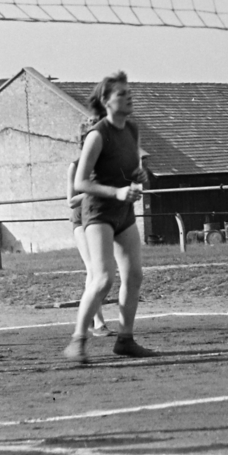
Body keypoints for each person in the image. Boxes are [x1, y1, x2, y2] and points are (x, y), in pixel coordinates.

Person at [64, 72, 153, 364]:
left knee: (134, 275)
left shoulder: (132, 129)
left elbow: (132, 170)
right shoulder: (97, 134)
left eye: (129, 92)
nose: (129, 97)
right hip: (99, 213)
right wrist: (116, 193)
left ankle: (125, 339)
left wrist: (139, 176)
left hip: (123, 213)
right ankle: (78, 340)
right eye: (121, 94)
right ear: (106, 101)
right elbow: (80, 183)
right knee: (103, 279)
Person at [66, 133, 114, 338]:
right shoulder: (75, 166)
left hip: (99, 219)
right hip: (82, 220)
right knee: (94, 269)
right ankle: (97, 322)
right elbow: (70, 201)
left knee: (105, 271)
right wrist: (94, 191)